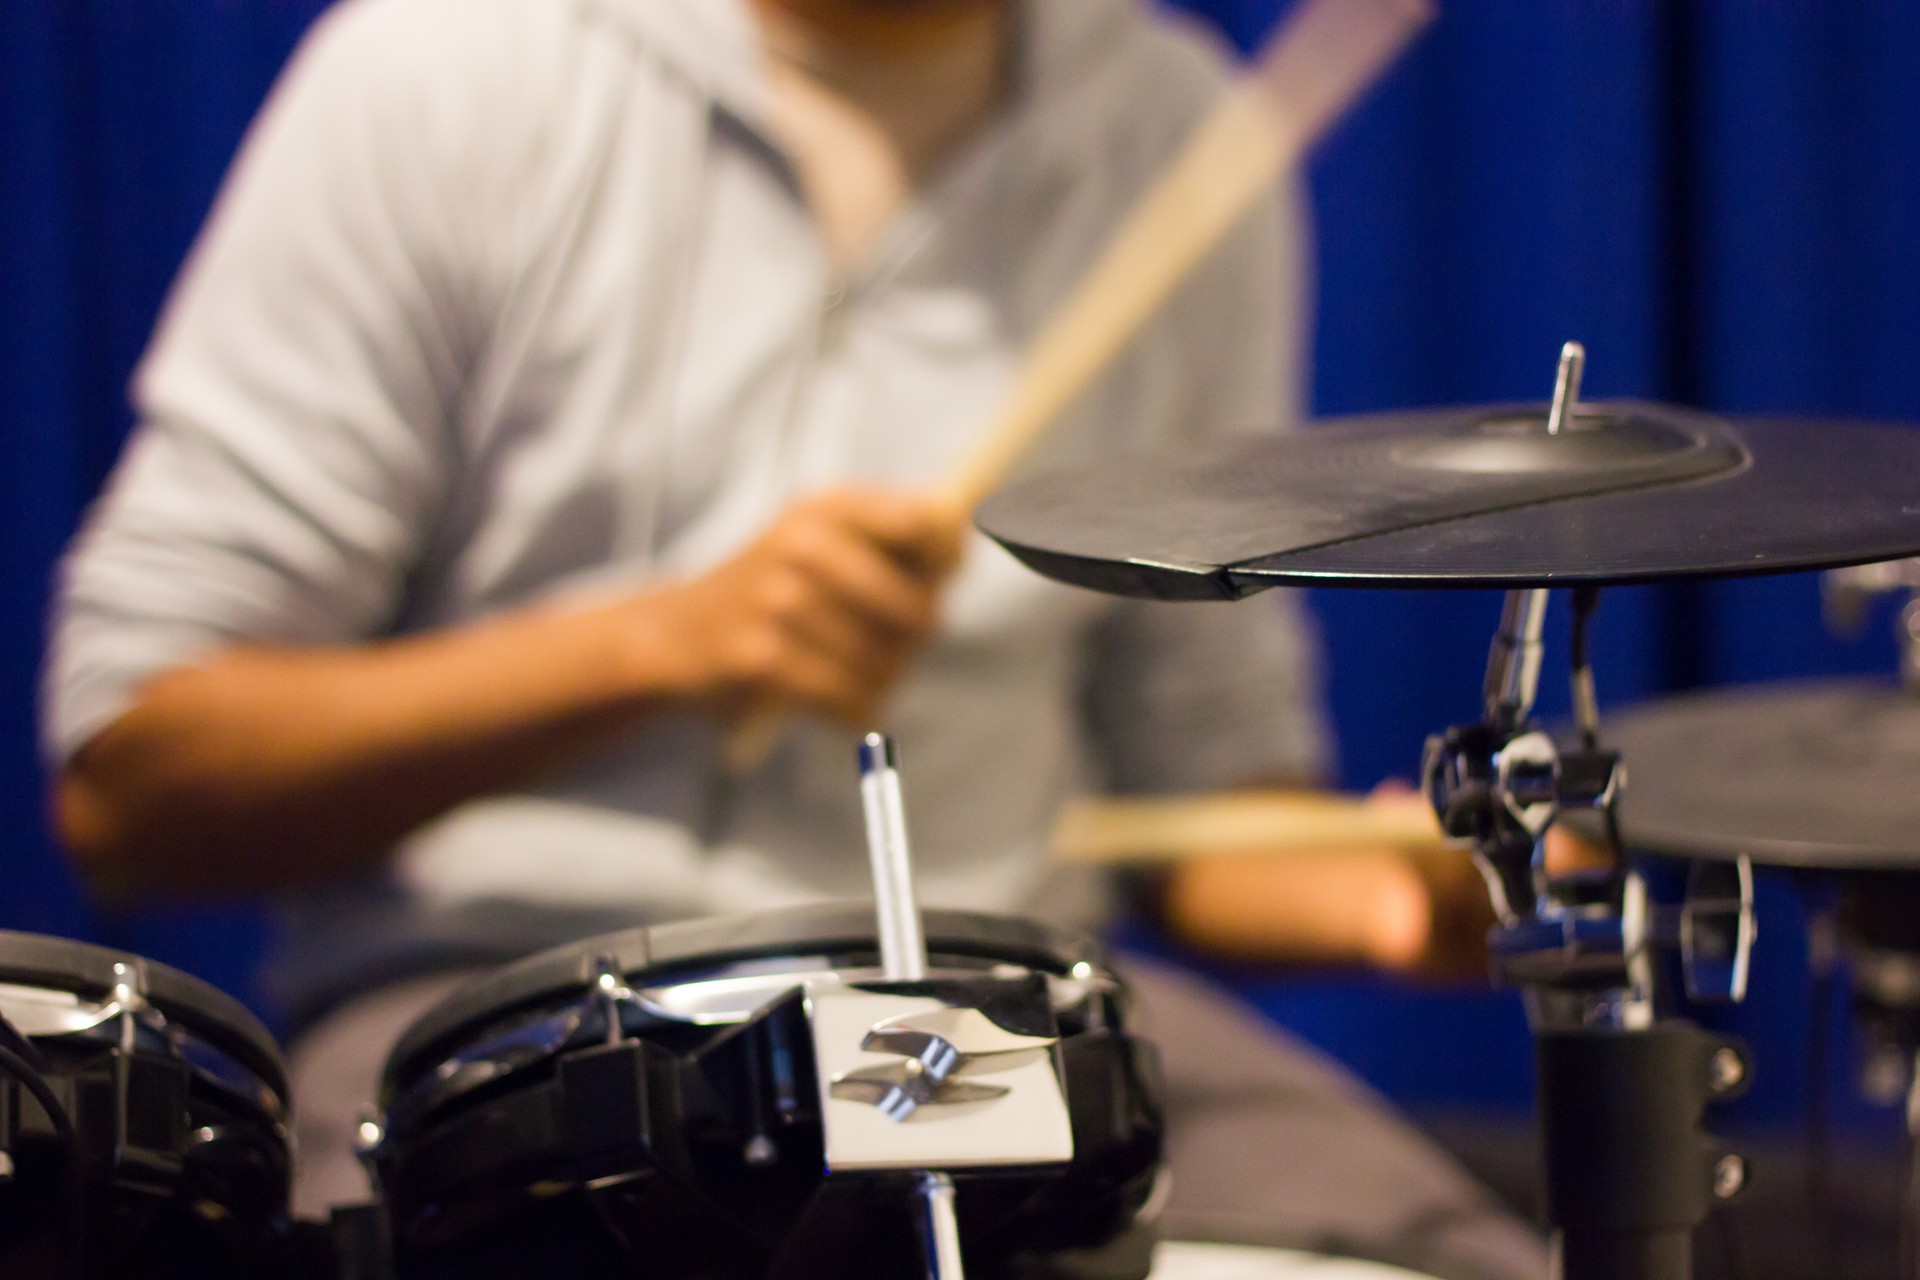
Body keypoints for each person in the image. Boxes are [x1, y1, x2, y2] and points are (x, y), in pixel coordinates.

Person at [44, 0, 1539, 1276]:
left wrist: (1377, 898)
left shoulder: (1177, 136)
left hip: (1009, 1020)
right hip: (490, 1032)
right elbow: (135, 774)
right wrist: (664, 646)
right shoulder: (449, 69)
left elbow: (1204, 785)